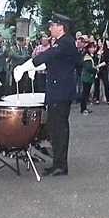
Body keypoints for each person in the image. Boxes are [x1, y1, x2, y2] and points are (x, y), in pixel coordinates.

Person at [32, 13, 81, 176]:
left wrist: (32, 62)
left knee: (59, 129)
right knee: (55, 129)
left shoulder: (65, 42)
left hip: (60, 92)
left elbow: (44, 57)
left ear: (61, 27)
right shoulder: (63, 42)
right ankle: (58, 163)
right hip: (58, 91)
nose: (50, 28)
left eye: (53, 25)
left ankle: (61, 165)